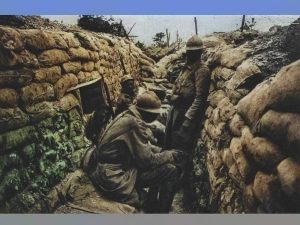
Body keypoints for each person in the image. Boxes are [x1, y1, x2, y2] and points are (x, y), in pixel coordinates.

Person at [84, 91, 187, 213]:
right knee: (171, 170)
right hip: (113, 176)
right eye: (155, 114)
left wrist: (163, 152)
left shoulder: (126, 115)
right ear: (148, 113)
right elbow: (147, 161)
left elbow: (139, 147)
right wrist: (170, 155)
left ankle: (152, 203)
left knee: (163, 163)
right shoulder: (134, 124)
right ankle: (160, 212)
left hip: (105, 169)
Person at [164, 35, 211, 173]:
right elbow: (177, 85)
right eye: (189, 51)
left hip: (185, 114)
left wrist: (188, 119)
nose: (189, 54)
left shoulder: (202, 70)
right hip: (175, 110)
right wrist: (172, 97)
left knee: (180, 148)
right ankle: (167, 171)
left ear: (199, 53)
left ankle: (177, 177)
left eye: (193, 52)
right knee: (169, 142)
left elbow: (199, 98)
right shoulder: (186, 68)